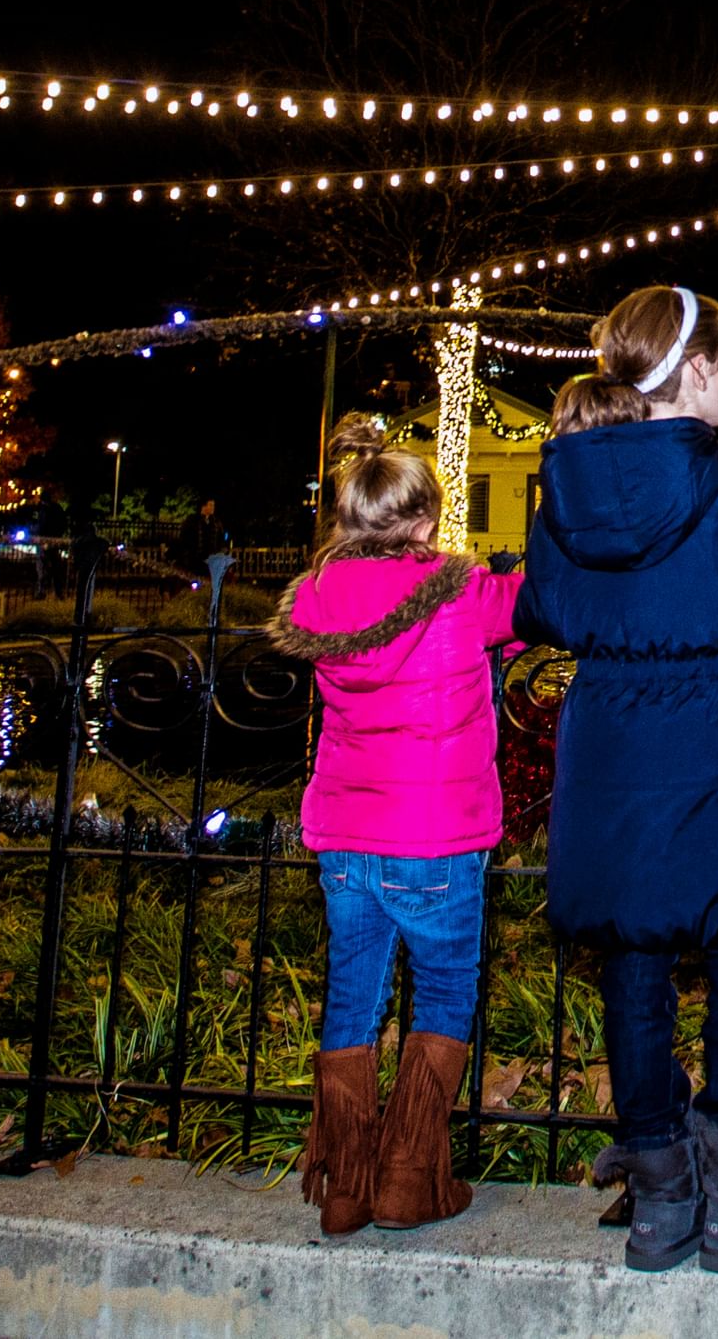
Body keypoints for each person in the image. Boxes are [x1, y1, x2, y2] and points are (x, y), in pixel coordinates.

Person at [518, 285, 718, 1275]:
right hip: (714, 725)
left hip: (611, 727)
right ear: (694, 369)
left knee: (631, 953)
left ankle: (659, 1197)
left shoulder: (562, 484)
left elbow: (546, 610)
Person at [267, 415, 524, 1239]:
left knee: (352, 996)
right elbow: (535, 608)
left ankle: (344, 1185)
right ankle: (411, 1177)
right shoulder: (457, 589)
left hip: (346, 833)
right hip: (438, 834)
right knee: (443, 991)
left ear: (348, 522)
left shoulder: (315, 598)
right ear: (422, 523)